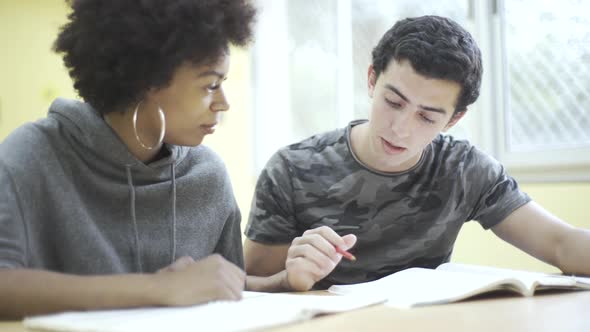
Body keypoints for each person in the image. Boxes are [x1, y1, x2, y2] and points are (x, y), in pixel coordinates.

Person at [243, 15, 590, 292]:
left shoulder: (464, 169)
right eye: (393, 102)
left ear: (454, 119)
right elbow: (247, 284)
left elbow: (560, 243)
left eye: (427, 116)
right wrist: (289, 280)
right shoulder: (290, 169)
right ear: (371, 80)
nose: (400, 128)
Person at [0, 0, 256, 319]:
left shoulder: (208, 175)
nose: (223, 104)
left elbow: (222, 285)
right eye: (211, 85)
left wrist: (280, 280)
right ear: (145, 81)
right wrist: (157, 289)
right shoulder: (31, 156)